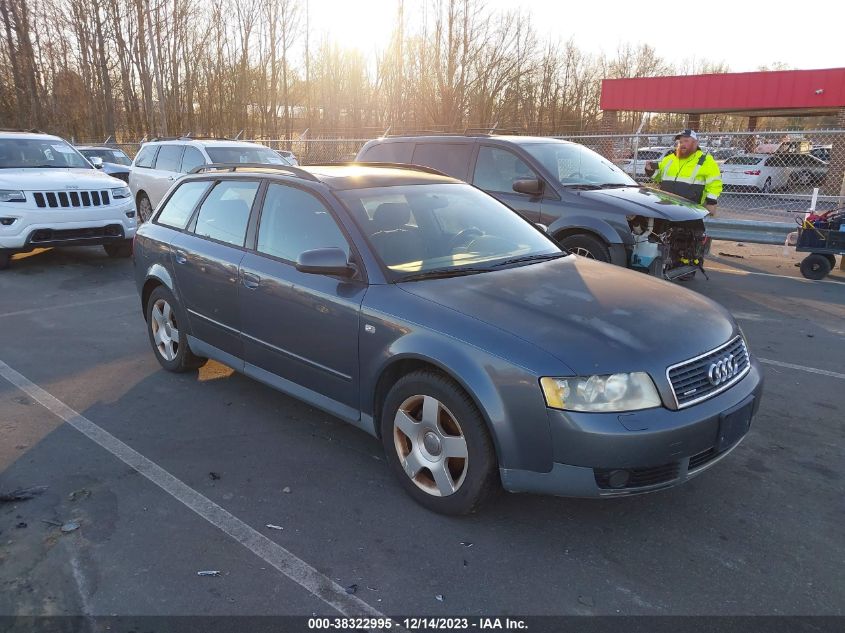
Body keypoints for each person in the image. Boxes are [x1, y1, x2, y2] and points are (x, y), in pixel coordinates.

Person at [644, 129, 721, 215]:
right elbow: (659, 178)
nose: (682, 144)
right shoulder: (669, 159)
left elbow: (714, 184)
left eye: (686, 141)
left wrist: (711, 202)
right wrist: (650, 171)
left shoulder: (706, 160)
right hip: (666, 206)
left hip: (692, 209)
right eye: (680, 142)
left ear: (696, 142)